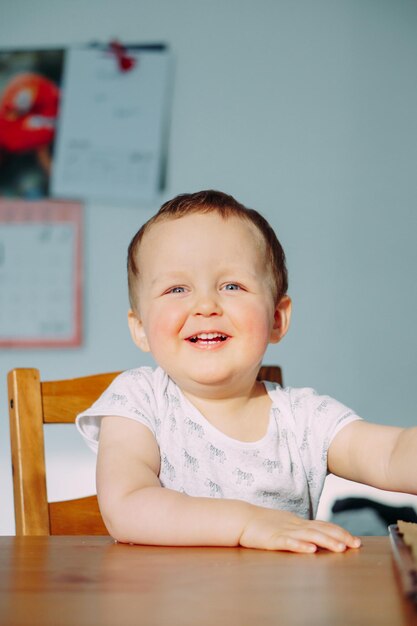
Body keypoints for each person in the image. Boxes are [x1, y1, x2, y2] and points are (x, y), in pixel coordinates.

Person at [76, 189, 417, 553]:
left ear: (276, 318)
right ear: (140, 327)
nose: (205, 305)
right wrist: (247, 522)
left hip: (277, 606)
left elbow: (391, 453)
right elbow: (127, 505)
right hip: (169, 605)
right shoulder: (138, 401)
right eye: (177, 288)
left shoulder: (302, 419)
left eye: (232, 286)